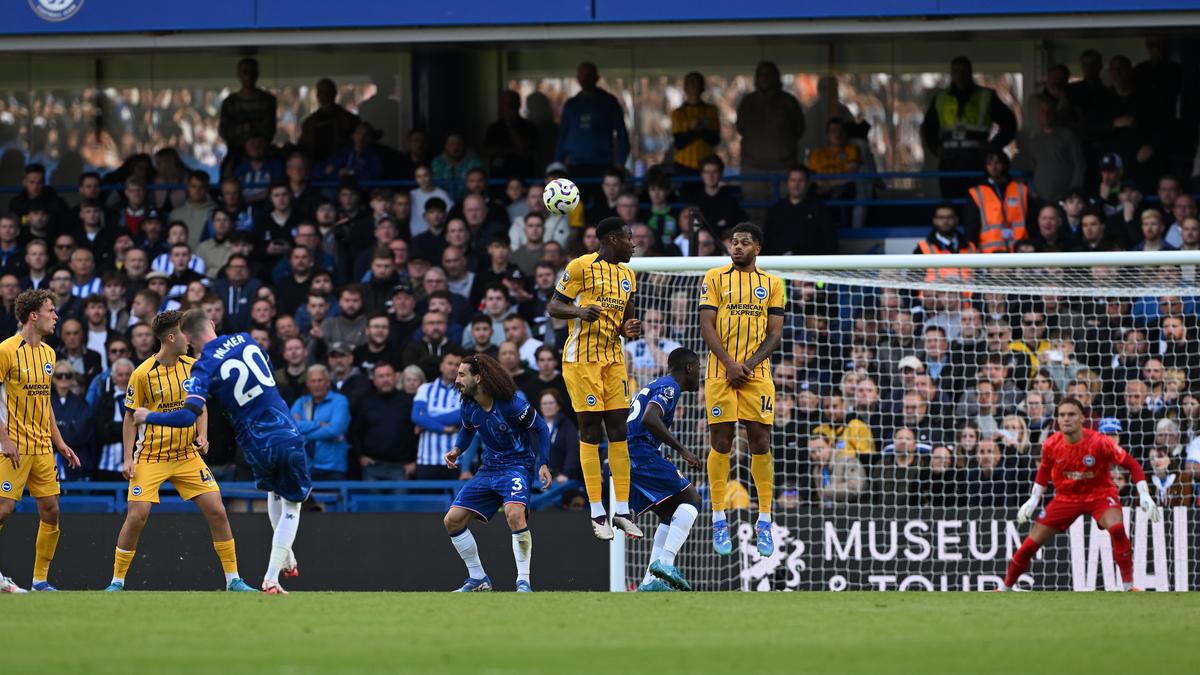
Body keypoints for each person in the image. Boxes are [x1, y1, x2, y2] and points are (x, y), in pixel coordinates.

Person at [134, 309, 313, 595]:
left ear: (189, 338)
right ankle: (271, 578)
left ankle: (287, 558)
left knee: (274, 492)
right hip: (285, 432)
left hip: (254, 444)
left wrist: (148, 416)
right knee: (293, 503)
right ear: (213, 324)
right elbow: (266, 369)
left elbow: (186, 416)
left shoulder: (203, 368)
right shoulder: (246, 339)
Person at [107, 310, 254, 593]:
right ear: (171, 337)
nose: (191, 338)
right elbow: (129, 417)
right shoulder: (141, 374)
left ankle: (233, 579)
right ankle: (116, 581)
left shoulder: (193, 366)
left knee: (217, 510)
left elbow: (200, 406)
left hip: (186, 455)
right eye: (185, 332)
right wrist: (128, 457)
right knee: (137, 516)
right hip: (151, 456)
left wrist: (203, 434)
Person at [997, 398, 1162, 592]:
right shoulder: (1051, 444)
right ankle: (1005, 588)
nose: (1066, 419)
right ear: (1057, 419)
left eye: (1071, 414)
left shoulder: (1100, 442)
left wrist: (1144, 495)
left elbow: (1132, 465)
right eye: (1062, 415)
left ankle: (1128, 586)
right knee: (1031, 542)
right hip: (1065, 498)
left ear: (1082, 418)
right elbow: (1044, 471)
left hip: (1100, 495)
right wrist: (1033, 500)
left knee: (1117, 529)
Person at [546, 217, 643, 540]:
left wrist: (629, 329)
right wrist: (578, 312)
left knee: (619, 430)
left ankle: (623, 510)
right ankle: (597, 511)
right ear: (613, 239)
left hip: (613, 359)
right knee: (590, 429)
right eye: (630, 239)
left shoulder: (629, 275)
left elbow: (625, 322)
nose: (634, 244)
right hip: (582, 360)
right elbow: (553, 306)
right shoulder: (580, 267)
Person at [699, 223, 786, 557]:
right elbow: (706, 324)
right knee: (721, 442)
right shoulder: (714, 278)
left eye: (744, 243)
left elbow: (774, 333)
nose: (737, 247)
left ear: (757, 248)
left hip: (757, 373)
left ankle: (764, 520)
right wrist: (729, 363)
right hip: (720, 373)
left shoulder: (773, 284)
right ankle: (718, 517)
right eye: (734, 243)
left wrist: (746, 364)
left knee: (759, 442)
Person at [441, 354, 552, 592]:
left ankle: (523, 581)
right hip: (488, 469)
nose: (456, 378)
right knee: (452, 521)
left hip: (516, 466)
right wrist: (457, 450)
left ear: (478, 377)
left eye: (462, 374)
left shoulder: (511, 404)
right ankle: (478, 578)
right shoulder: (469, 406)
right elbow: (467, 429)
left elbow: (541, 428)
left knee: (514, 514)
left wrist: (544, 463)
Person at [0, 290, 81, 593]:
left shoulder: (48, 353)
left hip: (42, 447)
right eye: (51, 311)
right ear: (33, 315)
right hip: (13, 446)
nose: (55, 316)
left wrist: (59, 442)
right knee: (3, 509)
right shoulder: (6, 350)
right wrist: (4, 439)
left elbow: (45, 401)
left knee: (51, 510)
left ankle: (39, 581)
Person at [626, 348, 703, 593]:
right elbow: (650, 417)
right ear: (689, 368)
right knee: (692, 499)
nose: (699, 375)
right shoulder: (671, 387)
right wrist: (682, 450)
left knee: (669, 514)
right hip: (640, 453)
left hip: (629, 455)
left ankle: (650, 581)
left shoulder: (656, 383)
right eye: (699, 369)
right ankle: (666, 563)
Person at [920, 56, 1018, 199]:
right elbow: (928, 127)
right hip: (949, 160)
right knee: (951, 203)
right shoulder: (941, 98)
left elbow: (1009, 123)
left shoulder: (985, 96)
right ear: (951, 74)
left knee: (978, 201)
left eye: (963, 71)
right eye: (956, 71)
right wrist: (936, 148)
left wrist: (993, 147)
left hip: (976, 159)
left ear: (970, 72)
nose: (960, 75)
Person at [735, 61, 805, 207]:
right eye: (761, 74)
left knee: (785, 210)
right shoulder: (748, 102)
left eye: (768, 74)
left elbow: (799, 128)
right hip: (753, 168)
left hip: (783, 166)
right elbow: (740, 127)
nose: (764, 78)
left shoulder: (788, 101)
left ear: (776, 77)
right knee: (755, 211)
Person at [555, 62, 630, 189]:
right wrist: (557, 166)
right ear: (577, 78)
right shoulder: (571, 104)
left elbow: (622, 134)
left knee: (601, 205)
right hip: (575, 166)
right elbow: (562, 136)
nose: (585, 78)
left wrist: (620, 163)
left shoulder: (608, 102)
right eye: (582, 74)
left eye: (589, 74)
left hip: (603, 164)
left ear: (596, 77)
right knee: (575, 205)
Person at [412, 351, 464, 480]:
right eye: (450, 363)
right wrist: (443, 428)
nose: (453, 367)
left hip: (456, 461)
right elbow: (417, 416)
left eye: (457, 364)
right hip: (427, 460)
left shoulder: (466, 391)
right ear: (441, 366)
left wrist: (427, 422)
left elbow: (460, 416)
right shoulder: (425, 388)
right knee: (428, 500)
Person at [218, 58, 277, 171]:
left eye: (252, 72)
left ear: (257, 75)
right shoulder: (230, 102)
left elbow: (269, 128)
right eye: (245, 72)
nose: (249, 76)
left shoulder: (268, 100)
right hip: (236, 153)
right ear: (239, 75)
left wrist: (248, 131)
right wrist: (247, 128)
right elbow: (224, 131)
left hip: (263, 153)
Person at [964, 151, 1029, 253]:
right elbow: (972, 226)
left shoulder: (1021, 189)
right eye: (989, 163)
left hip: (1019, 250)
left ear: (1004, 164)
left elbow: (1031, 220)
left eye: (997, 162)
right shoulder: (977, 193)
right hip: (990, 254)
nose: (994, 167)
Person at [763, 165, 834, 255]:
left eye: (801, 181)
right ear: (788, 183)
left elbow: (829, 241)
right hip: (779, 265)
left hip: (809, 265)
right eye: (793, 180)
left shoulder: (819, 209)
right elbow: (766, 240)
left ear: (808, 183)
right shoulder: (776, 210)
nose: (796, 185)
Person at [670, 71, 720, 177]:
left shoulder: (711, 111)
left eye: (697, 83)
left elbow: (714, 139)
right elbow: (679, 142)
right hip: (683, 165)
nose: (694, 86)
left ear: (703, 88)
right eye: (691, 83)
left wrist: (697, 129)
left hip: (707, 166)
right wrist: (696, 130)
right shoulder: (678, 113)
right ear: (685, 88)